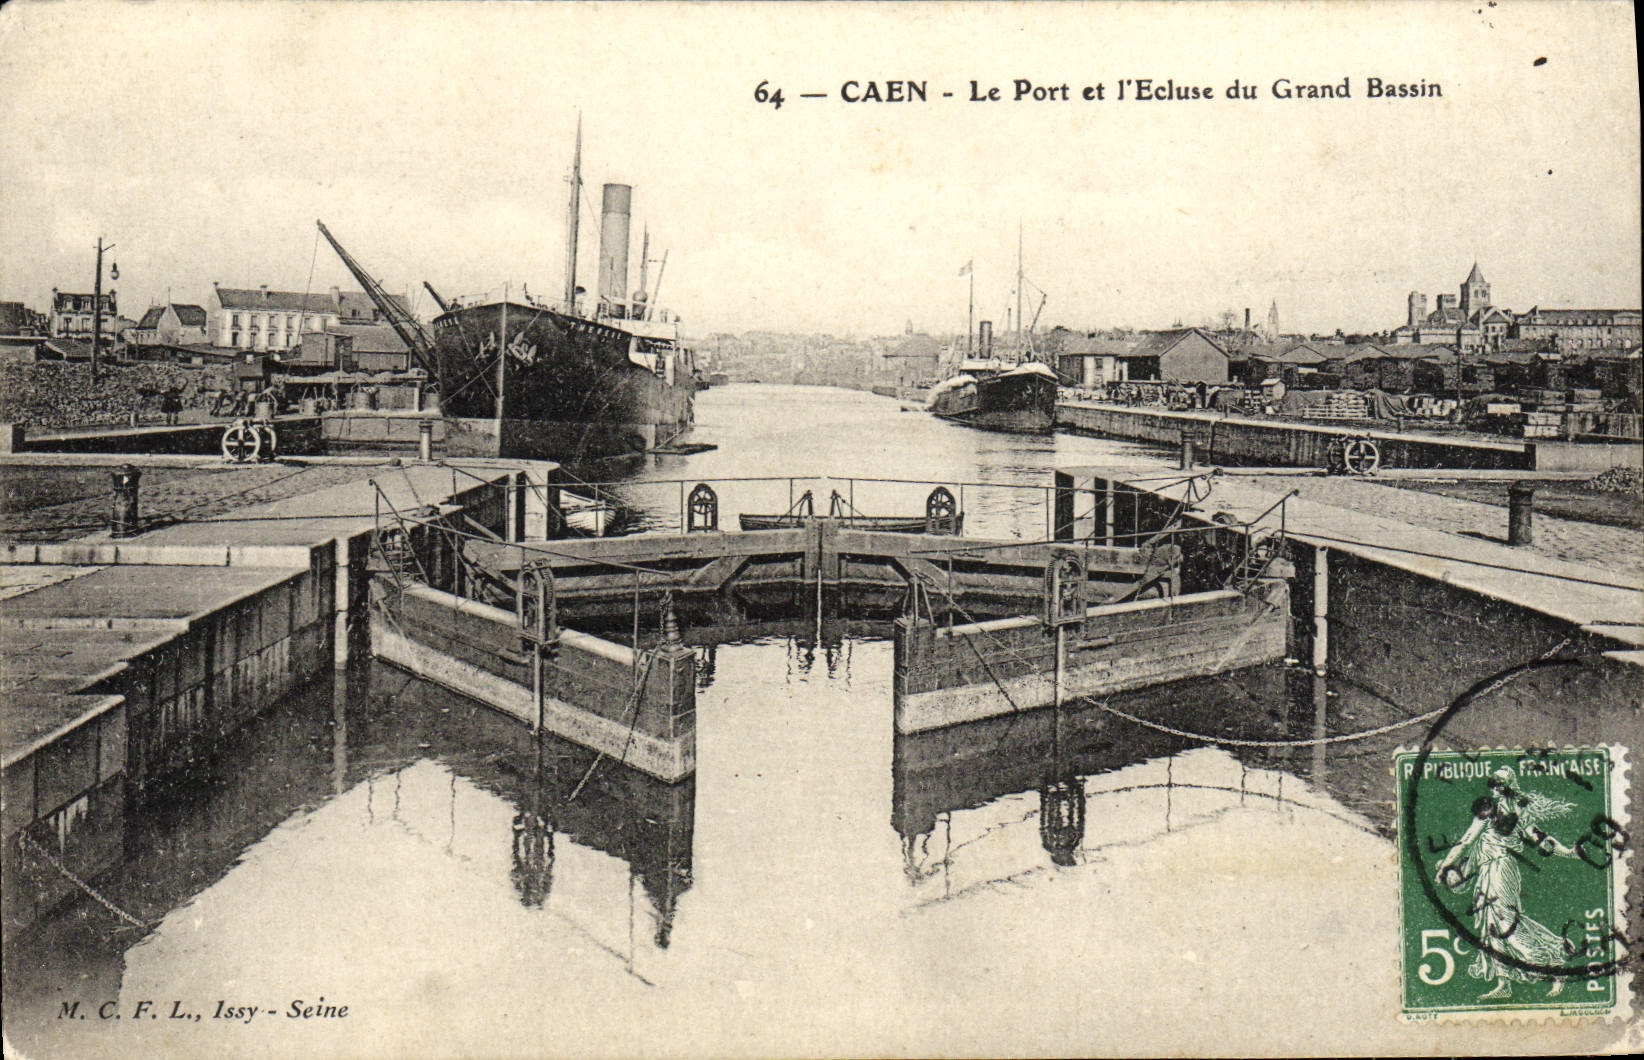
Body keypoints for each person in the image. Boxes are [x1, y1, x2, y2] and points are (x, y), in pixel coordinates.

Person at [1432, 767, 1579, 1000]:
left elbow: (1540, 839)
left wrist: (1569, 852)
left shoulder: (1512, 812)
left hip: (1501, 869)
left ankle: (1553, 966)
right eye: (1493, 783)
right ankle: (1504, 982)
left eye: (1500, 784)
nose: (1495, 788)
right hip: (1488, 870)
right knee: (1490, 926)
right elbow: (1470, 840)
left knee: (1506, 923)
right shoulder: (1498, 810)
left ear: (1508, 786)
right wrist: (1449, 866)